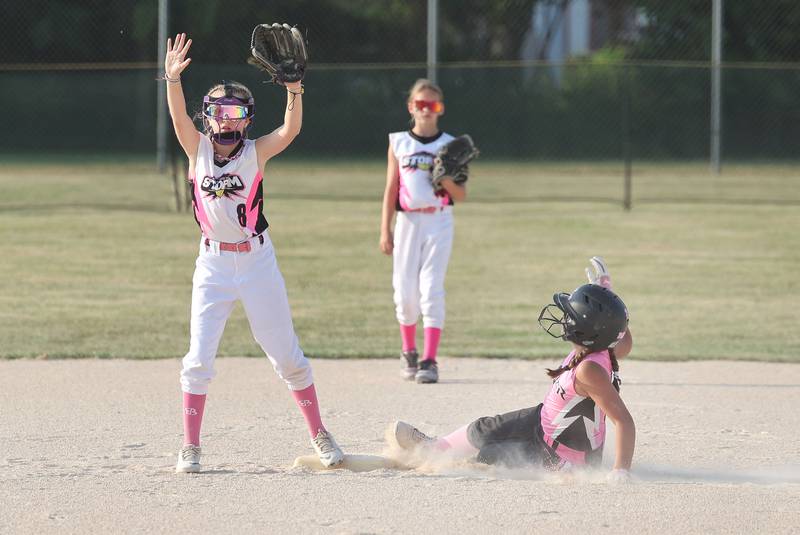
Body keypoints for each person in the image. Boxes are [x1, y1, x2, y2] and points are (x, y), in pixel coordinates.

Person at [163, 32, 343, 473]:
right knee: (198, 358)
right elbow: (178, 119)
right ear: (207, 117)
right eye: (219, 111)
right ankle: (191, 446)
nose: (228, 120)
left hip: (257, 260)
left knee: (286, 356)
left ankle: (319, 432)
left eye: (237, 111)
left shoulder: (255, 152)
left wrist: (294, 89)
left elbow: (291, 130)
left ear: (247, 119)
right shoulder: (196, 148)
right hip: (213, 264)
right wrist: (171, 79)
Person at [391, 257, 636, 483]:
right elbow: (621, 336)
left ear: (587, 332)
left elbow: (624, 421)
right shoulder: (605, 346)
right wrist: (605, 293)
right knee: (483, 427)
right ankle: (435, 448)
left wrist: (620, 471)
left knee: (490, 455)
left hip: (562, 456)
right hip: (542, 422)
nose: (563, 319)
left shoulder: (589, 370)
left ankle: (446, 463)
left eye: (569, 316)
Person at [379, 78, 467, 384]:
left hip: (439, 220)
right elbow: (391, 188)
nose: (426, 110)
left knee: (431, 289)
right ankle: (409, 351)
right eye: (420, 105)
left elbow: (461, 194)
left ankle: (430, 359)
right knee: (404, 292)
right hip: (407, 222)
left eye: (433, 105)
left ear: (440, 109)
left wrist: (445, 180)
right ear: (410, 107)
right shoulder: (399, 142)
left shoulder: (451, 144)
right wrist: (384, 230)